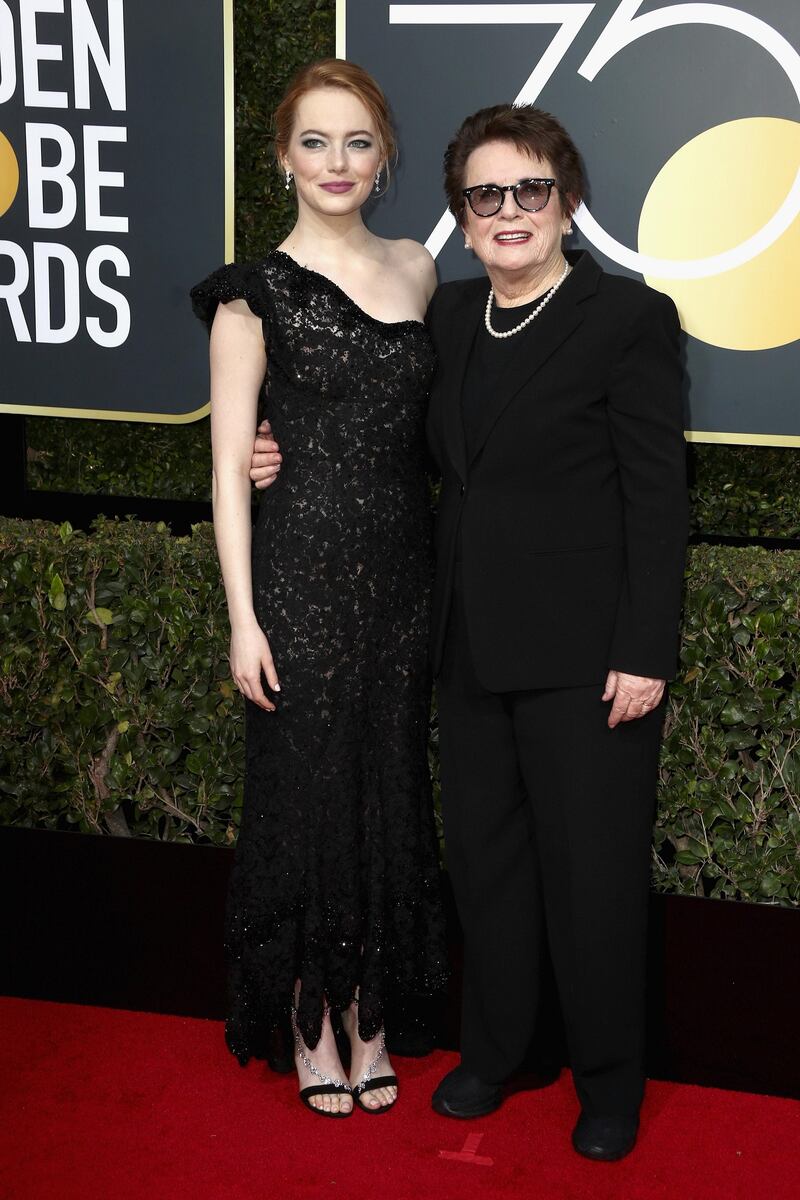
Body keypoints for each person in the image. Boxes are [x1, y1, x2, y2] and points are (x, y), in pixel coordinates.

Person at [252, 101, 688, 1160]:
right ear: (460, 211)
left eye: (527, 190)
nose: (507, 211)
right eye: (483, 195)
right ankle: (501, 1052)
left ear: (564, 200)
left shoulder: (624, 319)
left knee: (589, 877)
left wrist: (643, 649)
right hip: (466, 645)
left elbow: (657, 497)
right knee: (488, 869)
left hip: (588, 657)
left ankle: (607, 1081)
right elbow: (379, 437)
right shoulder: (448, 319)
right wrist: (279, 455)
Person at [190, 59, 446, 1118]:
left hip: (401, 578)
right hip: (297, 575)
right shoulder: (249, 295)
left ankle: (372, 1007)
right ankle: (310, 1015)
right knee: (303, 797)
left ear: (381, 157)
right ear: (282, 155)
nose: (334, 162)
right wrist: (243, 619)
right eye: (314, 141)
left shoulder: (418, 272)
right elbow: (224, 468)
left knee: (388, 784)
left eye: (355, 142)